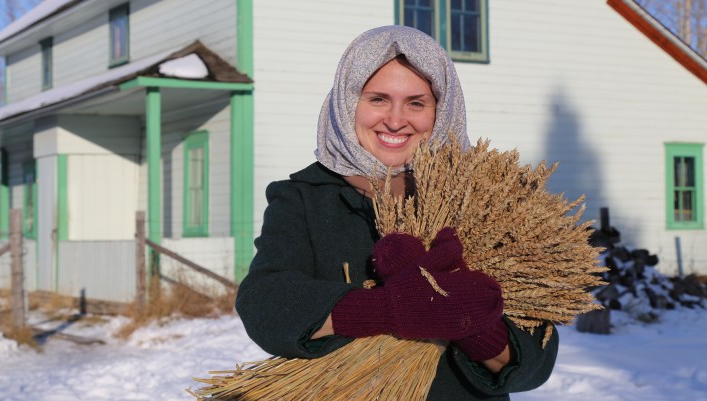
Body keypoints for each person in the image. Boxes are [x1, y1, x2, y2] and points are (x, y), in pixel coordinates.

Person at [236, 25, 558, 400]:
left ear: (442, 111)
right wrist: (386, 310)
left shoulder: (485, 201)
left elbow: (536, 359)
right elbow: (265, 305)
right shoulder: (303, 197)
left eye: (416, 103)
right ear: (347, 102)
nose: (394, 120)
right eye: (378, 99)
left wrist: (472, 324)